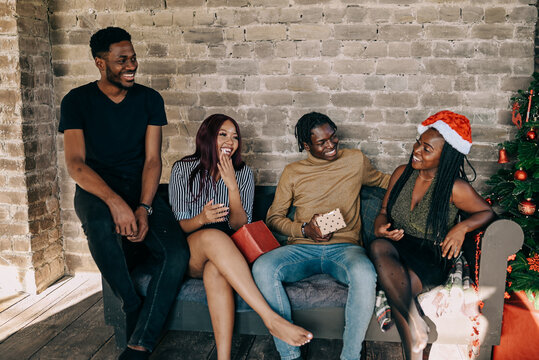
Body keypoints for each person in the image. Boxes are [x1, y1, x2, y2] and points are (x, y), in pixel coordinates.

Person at [59, 27, 190, 360]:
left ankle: (140, 342)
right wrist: (115, 202)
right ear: (100, 63)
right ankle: (132, 303)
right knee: (100, 228)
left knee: (175, 254)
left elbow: (151, 160)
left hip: (140, 188)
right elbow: (75, 165)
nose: (132, 65)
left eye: (133, 57)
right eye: (122, 60)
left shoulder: (149, 100)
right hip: (95, 189)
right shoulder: (77, 101)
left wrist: (144, 207)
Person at [168, 114, 313, 360]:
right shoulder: (183, 169)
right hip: (191, 248)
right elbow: (179, 226)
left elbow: (238, 224)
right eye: (223, 134)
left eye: (235, 136)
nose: (230, 141)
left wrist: (232, 186)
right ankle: (270, 318)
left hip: (227, 250)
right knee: (212, 237)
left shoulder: (243, 172)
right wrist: (202, 219)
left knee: (216, 269)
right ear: (207, 136)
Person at [252, 112, 391, 360]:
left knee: (364, 272)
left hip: (345, 249)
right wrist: (305, 229)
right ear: (306, 146)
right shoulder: (292, 172)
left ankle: (350, 356)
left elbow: (385, 182)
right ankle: (290, 354)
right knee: (263, 267)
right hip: (302, 248)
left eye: (333, 137)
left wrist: (428, 182)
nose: (331, 145)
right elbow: (274, 218)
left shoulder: (355, 160)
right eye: (322, 142)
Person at [368, 111, 495, 360]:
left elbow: (486, 212)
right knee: (377, 245)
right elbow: (383, 212)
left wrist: (461, 227)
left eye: (427, 149)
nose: (417, 150)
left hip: (430, 255)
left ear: (445, 156)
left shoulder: (455, 188)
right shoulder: (402, 173)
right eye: (419, 143)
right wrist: (380, 226)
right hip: (395, 248)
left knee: (397, 291)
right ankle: (416, 322)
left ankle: (413, 343)